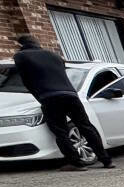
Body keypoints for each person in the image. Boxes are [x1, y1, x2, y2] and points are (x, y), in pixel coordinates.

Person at [11, 34, 112, 170]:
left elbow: (26, 80)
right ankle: (106, 160)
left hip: (50, 97)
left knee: (60, 131)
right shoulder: (55, 56)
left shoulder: (21, 57)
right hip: (71, 95)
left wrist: (40, 97)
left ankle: (76, 163)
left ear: (20, 45)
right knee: (86, 127)